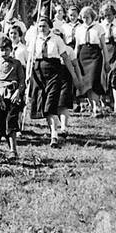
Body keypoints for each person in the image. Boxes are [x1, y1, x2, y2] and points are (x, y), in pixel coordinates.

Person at [26, 15, 76, 144]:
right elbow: (30, 60)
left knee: (51, 104)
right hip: (38, 72)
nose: (42, 28)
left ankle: (54, 135)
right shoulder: (34, 40)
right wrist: (27, 76)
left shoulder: (57, 39)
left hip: (54, 71)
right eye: (40, 26)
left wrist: (74, 75)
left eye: (45, 26)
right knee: (43, 104)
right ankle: (53, 129)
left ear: (50, 27)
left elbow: (65, 58)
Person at [0, 36, 26, 160]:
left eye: (7, 50)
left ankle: (13, 150)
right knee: (0, 121)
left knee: (11, 122)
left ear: (11, 50)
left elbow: (22, 81)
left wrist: (18, 93)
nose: (4, 53)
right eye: (1, 50)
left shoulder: (16, 63)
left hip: (12, 95)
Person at [72, 5, 107, 117]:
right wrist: (74, 59)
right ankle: (92, 108)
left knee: (93, 81)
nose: (84, 19)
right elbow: (77, 46)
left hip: (95, 54)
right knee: (86, 83)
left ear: (92, 16)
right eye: (82, 17)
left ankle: (97, 107)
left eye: (87, 17)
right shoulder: (79, 29)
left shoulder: (99, 28)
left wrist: (106, 61)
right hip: (83, 54)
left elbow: (103, 46)